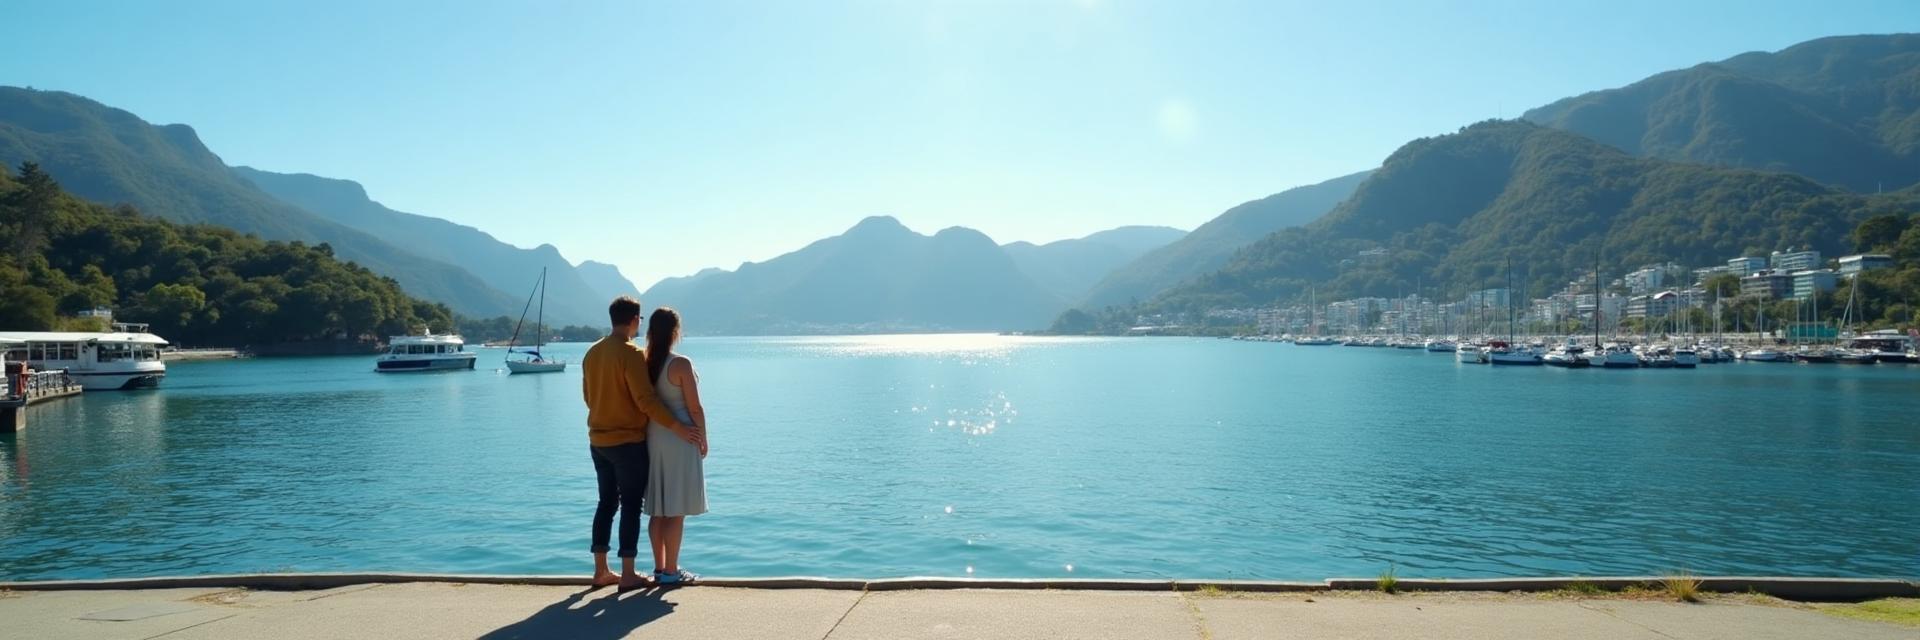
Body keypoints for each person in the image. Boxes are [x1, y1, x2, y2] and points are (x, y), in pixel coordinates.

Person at [580, 296, 704, 591]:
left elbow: (588, 396)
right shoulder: (630, 354)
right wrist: (677, 426)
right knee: (632, 506)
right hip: (626, 441)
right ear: (635, 319)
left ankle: (600, 570)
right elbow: (646, 401)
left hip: (598, 440)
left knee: (606, 503)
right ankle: (628, 574)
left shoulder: (592, 353)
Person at [641, 306, 708, 585]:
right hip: (682, 437)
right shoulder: (680, 364)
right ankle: (671, 571)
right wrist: (703, 436)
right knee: (676, 508)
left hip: (654, 437)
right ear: (675, 332)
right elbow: (694, 407)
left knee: (658, 506)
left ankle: (659, 568)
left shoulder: (644, 362)